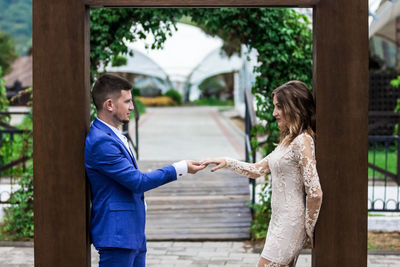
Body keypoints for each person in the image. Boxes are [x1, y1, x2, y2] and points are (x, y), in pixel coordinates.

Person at [84, 73, 205, 267]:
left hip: (132, 232)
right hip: (117, 235)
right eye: (127, 101)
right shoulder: (101, 141)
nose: (132, 107)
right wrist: (179, 168)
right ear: (109, 105)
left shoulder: (112, 134)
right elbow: (137, 182)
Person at [201, 81, 323, 267]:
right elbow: (257, 170)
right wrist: (226, 161)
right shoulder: (288, 141)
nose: (274, 113)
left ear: (294, 107)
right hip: (278, 221)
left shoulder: (303, 141)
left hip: (290, 224)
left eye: (279, 107)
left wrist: (308, 228)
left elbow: (315, 192)